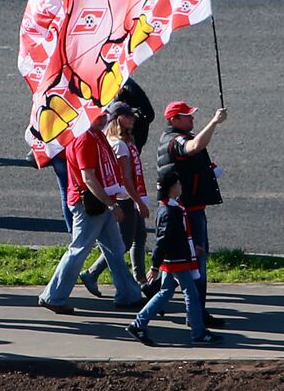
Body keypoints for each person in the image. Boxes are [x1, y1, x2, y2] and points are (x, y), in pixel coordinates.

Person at [38, 108, 145, 313]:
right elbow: (88, 178)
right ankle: (53, 296)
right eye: (99, 115)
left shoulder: (96, 135)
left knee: (115, 248)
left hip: (100, 204)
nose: (104, 118)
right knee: (79, 249)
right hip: (89, 205)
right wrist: (112, 204)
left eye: (105, 114)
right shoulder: (85, 139)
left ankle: (129, 295)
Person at [126, 169, 220, 346]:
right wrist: (154, 266)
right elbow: (162, 241)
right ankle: (198, 332)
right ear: (171, 188)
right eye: (178, 184)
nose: (180, 186)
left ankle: (138, 324)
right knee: (191, 294)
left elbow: (178, 235)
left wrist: (193, 247)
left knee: (165, 292)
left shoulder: (171, 208)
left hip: (176, 260)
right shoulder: (170, 212)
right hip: (177, 261)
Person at [155, 101, 228, 328]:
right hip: (187, 213)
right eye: (187, 116)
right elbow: (193, 147)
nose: (192, 119)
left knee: (179, 268)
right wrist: (214, 122)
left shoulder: (176, 138)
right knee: (196, 265)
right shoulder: (174, 140)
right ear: (174, 120)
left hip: (191, 210)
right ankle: (196, 315)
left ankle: (160, 302)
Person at [79, 100, 151, 296]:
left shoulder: (126, 141)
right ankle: (92, 272)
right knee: (124, 243)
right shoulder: (118, 144)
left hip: (129, 197)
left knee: (140, 236)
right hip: (124, 198)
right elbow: (125, 178)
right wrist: (139, 202)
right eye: (128, 115)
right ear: (118, 119)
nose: (133, 118)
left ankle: (141, 279)